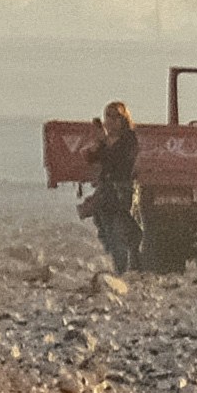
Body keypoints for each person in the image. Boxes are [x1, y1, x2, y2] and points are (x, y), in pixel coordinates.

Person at [84, 97, 146, 277]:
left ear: (123, 118)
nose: (110, 121)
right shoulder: (107, 141)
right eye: (108, 116)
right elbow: (93, 158)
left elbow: (121, 160)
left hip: (123, 190)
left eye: (115, 116)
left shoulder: (129, 139)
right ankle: (121, 267)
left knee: (121, 231)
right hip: (106, 190)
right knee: (106, 231)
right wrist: (98, 144)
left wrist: (105, 143)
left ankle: (124, 270)